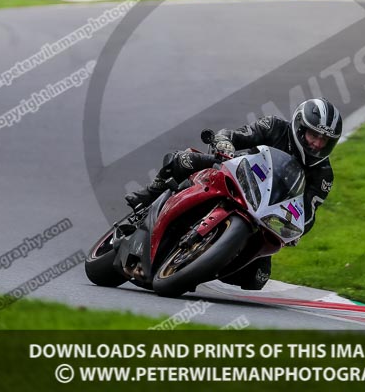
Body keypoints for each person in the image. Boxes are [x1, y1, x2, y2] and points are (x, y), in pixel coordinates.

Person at [126, 98, 343, 290]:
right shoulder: (274, 126)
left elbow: (308, 213)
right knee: (184, 159)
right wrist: (225, 142)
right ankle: (150, 194)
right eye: (313, 135)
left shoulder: (323, 175)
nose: (317, 143)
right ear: (299, 127)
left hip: (264, 214)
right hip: (234, 176)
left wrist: (296, 231)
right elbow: (234, 135)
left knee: (257, 278)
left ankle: (199, 264)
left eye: (324, 140)